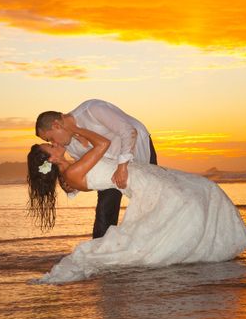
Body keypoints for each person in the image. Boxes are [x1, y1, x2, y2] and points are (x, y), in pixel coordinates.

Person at [27, 124, 246, 284]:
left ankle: (204, 246)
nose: (55, 143)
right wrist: (75, 128)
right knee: (193, 198)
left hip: (143, 177)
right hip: (142, 183)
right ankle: (203, 249)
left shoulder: (71, 170)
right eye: (51, 147)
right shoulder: (75, 170)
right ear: (52, 160)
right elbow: (103, 143)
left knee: (202, 189)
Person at [35, 99, 157, 239]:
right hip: (110, 172)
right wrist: (72, 186)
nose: (54, 143)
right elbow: (87, 167)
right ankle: (101, 252)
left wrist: (122, 166)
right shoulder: (68, 145)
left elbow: (129, 131)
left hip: (138, 149)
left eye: (50, 139)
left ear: (56, 125)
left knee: (152, 201)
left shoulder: (92, 109)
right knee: (104, 212)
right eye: (50, 142)